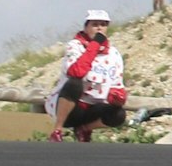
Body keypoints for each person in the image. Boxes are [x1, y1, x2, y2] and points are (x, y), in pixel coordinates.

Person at [45, 10, 129, 143]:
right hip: (71, 108)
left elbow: (116, 84)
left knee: (119, 115)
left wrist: (118, 97)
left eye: (103, 24)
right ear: (86, 27)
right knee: (74, 83)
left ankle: (84, 129)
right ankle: (57, 130)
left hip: (94, 107)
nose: (99, 28)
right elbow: (76, 72)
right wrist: (94, 46)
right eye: (95, 24)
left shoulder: (113, 53)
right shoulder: (75, 46)